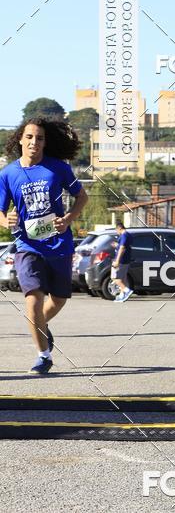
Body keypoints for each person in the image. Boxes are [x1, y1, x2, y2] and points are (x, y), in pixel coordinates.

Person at [0, 118, 88, 374]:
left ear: (45, 142)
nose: (34, 142)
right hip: (28, 246)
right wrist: (7, 220)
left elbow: (82, 197)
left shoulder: (57, 168)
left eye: (39, 138)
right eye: (29, 137)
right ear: (20, 139)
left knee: (58, 300)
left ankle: (39, 326)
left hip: (59, 243)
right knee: (33, 299)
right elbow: (0, 211)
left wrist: (68, 219)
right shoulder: (8, 174)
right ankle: (44, 355)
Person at [112, 221, 133, 303]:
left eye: (116, 230)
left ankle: (127, 290)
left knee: (115, 277)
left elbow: (122, 248)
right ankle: (122, 296)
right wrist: (117, 245)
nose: (117, 232)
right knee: (122, 278)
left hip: (121, 260)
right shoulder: (129, 235)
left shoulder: (124, 235)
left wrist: (117, 260)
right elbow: (125, 246)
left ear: (119, 228)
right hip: (126, 259)